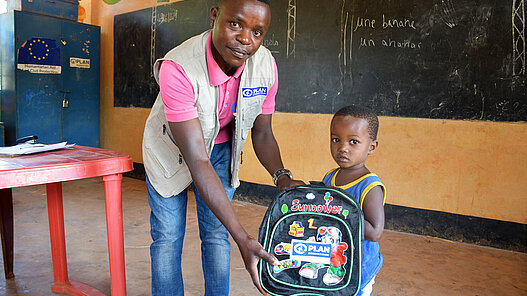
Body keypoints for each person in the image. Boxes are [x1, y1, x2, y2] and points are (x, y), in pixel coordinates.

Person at [141, 0, 303, 295]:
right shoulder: (178, 67)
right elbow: (197, 159)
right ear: (214, 16)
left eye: (257, 32)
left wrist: (283, 178)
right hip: (171, 152)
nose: (245, 40)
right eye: (235, 24)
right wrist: (243, 237)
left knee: (216, 234)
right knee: (167, 236)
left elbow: (263, 132)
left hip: (222, 151)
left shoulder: (265, 64)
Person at [321, 105, 386, 296]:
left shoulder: (369, 185)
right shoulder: (330, 177)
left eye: (354, 142)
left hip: (359, 267)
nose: (343, 148)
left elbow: (374, 232)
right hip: (335, 260)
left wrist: (339, 212)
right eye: (336, 140)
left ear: (371, 147)